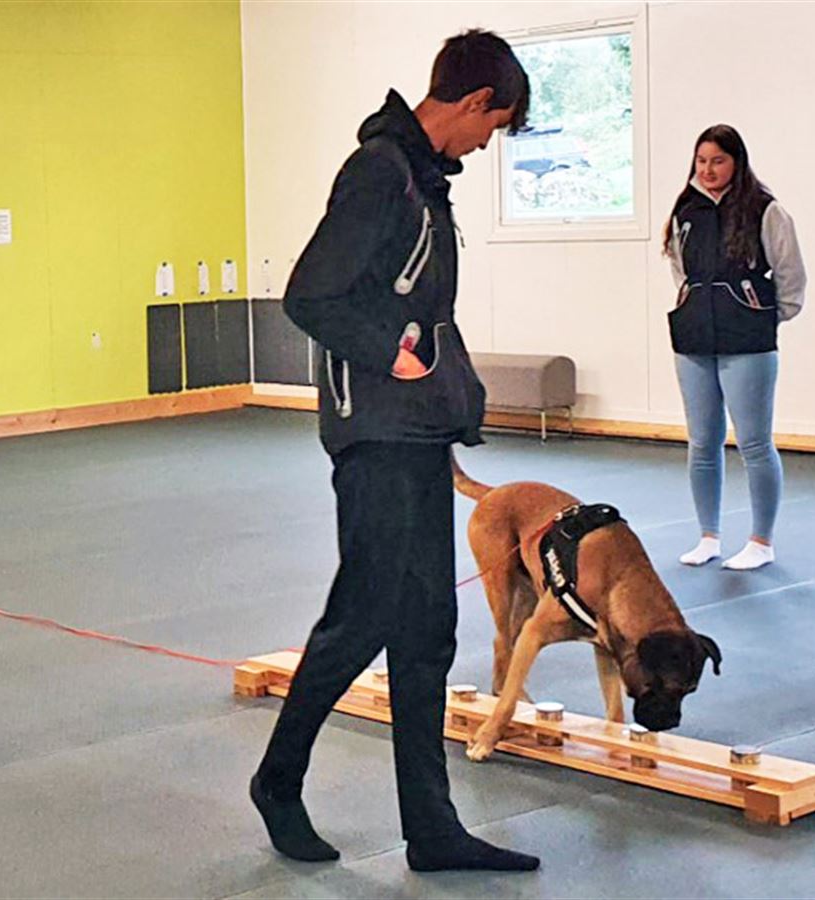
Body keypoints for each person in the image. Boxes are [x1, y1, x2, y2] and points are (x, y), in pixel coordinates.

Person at [250, 30, 541, 873]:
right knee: (366, 615)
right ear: (473, 101)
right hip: (372, 431)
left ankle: (433, 829)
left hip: (415, 430)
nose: (488, 143)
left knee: (427, 627)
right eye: (494, 126)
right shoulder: (381, 173)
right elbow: (310, 294)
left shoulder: (422, 178)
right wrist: (393, 354)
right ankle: (278, 779)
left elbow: (420, 305)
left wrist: (450, 391)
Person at [663, 125, 807, 572]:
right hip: (693, 340)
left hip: (748, 342)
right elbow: (678, 266)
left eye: (718, 161)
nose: (708, 170)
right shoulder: (684, 210)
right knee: (702, 443)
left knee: (754, 443)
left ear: (737, 162)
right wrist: (692, 304)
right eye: (701, 161)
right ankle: (708, 535)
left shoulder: (766, 211)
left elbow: (790, 275)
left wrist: (759, 314)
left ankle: (761, 540)